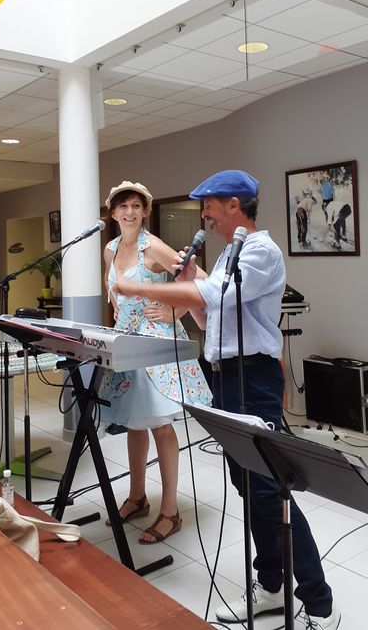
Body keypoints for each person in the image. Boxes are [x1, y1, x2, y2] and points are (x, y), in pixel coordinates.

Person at [114, 170, 340, 629]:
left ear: (234, 204)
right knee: (245, 484)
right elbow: (208, 314)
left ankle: (318, 602)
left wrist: (141, 287)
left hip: (253, 379)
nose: (204, 214)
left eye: (209, 205)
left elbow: (216, 295)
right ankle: (272, 585)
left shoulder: (262, 251)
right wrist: (191, 278)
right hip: (225, 379)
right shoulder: (228, 255)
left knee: (268, 489)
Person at [99, 180, 212, 544]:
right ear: (113, 213)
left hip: (156, 344)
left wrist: (174, 310)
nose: (129, 212)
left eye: (136, 206)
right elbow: (114, 289)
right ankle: (137, 496)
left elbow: (202, 282)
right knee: (134, 424)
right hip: (127, 343)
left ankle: (170, 511)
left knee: (161, 426)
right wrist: (116, 307)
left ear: (145, 211)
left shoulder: (154, 247)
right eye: (122, 207)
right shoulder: (110, 249)